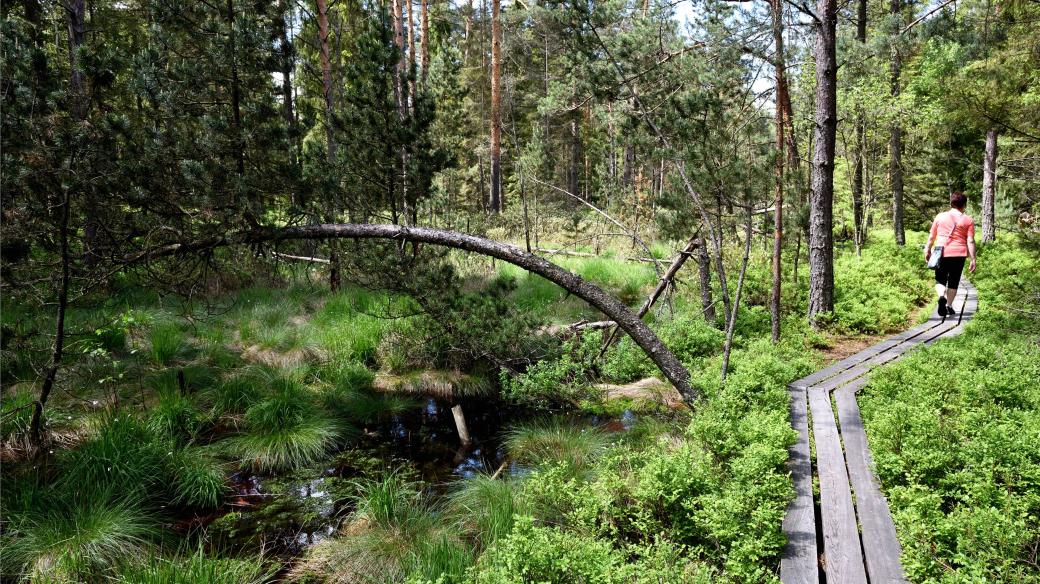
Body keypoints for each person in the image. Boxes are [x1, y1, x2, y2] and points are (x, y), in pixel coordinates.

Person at [924, 191, 977, 316]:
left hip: (941, 251)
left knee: (940, 279)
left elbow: (932, 236)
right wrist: (973, 258)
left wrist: (927, 249)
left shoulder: (940, 216)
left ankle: (941, 296)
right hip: (959, 254)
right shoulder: (968, 220)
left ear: (951, 203)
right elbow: (970, 240)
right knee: (954, 281)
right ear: (964, 205)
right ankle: (948, 305)